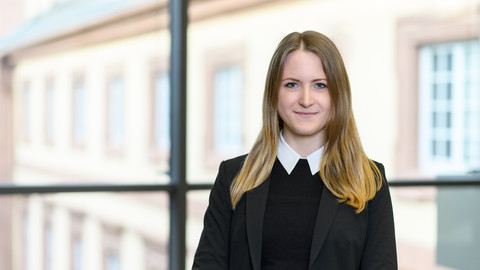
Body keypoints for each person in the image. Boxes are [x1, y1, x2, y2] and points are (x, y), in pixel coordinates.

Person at [192, 30, 397, 270]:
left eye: (320, 85)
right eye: (292, 84)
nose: (306, 99)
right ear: (274, 93)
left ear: (337, 95)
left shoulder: (370, 180)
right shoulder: (233, 176)